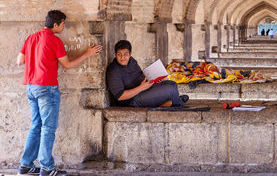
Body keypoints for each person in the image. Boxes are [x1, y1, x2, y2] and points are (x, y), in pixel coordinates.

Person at [17, 10, 102, 176]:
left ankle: (25, 165)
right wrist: (87, 53)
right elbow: (68, 65)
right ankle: (47, 168)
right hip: (47, 88)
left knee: (36, 126)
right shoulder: (55, 41)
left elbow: (19, 61)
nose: (64, 26)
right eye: (63, 23)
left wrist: (36, 58)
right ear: (55, 24)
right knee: (48, 128)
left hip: (31, 87)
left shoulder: (31, 38)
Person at [106, 40, 188, 108]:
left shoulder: (131, 61)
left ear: (130, 54)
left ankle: (173, 100)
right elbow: (120, 97)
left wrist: (154, 77)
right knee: (170, 89)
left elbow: (140, 74)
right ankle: (179, 105)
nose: (122, 58)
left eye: (125, 54)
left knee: (172, 84)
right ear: (115, 54)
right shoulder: (113, 71)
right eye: (119, 54)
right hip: (132, 100)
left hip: (143, 89)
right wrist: (141, 88)